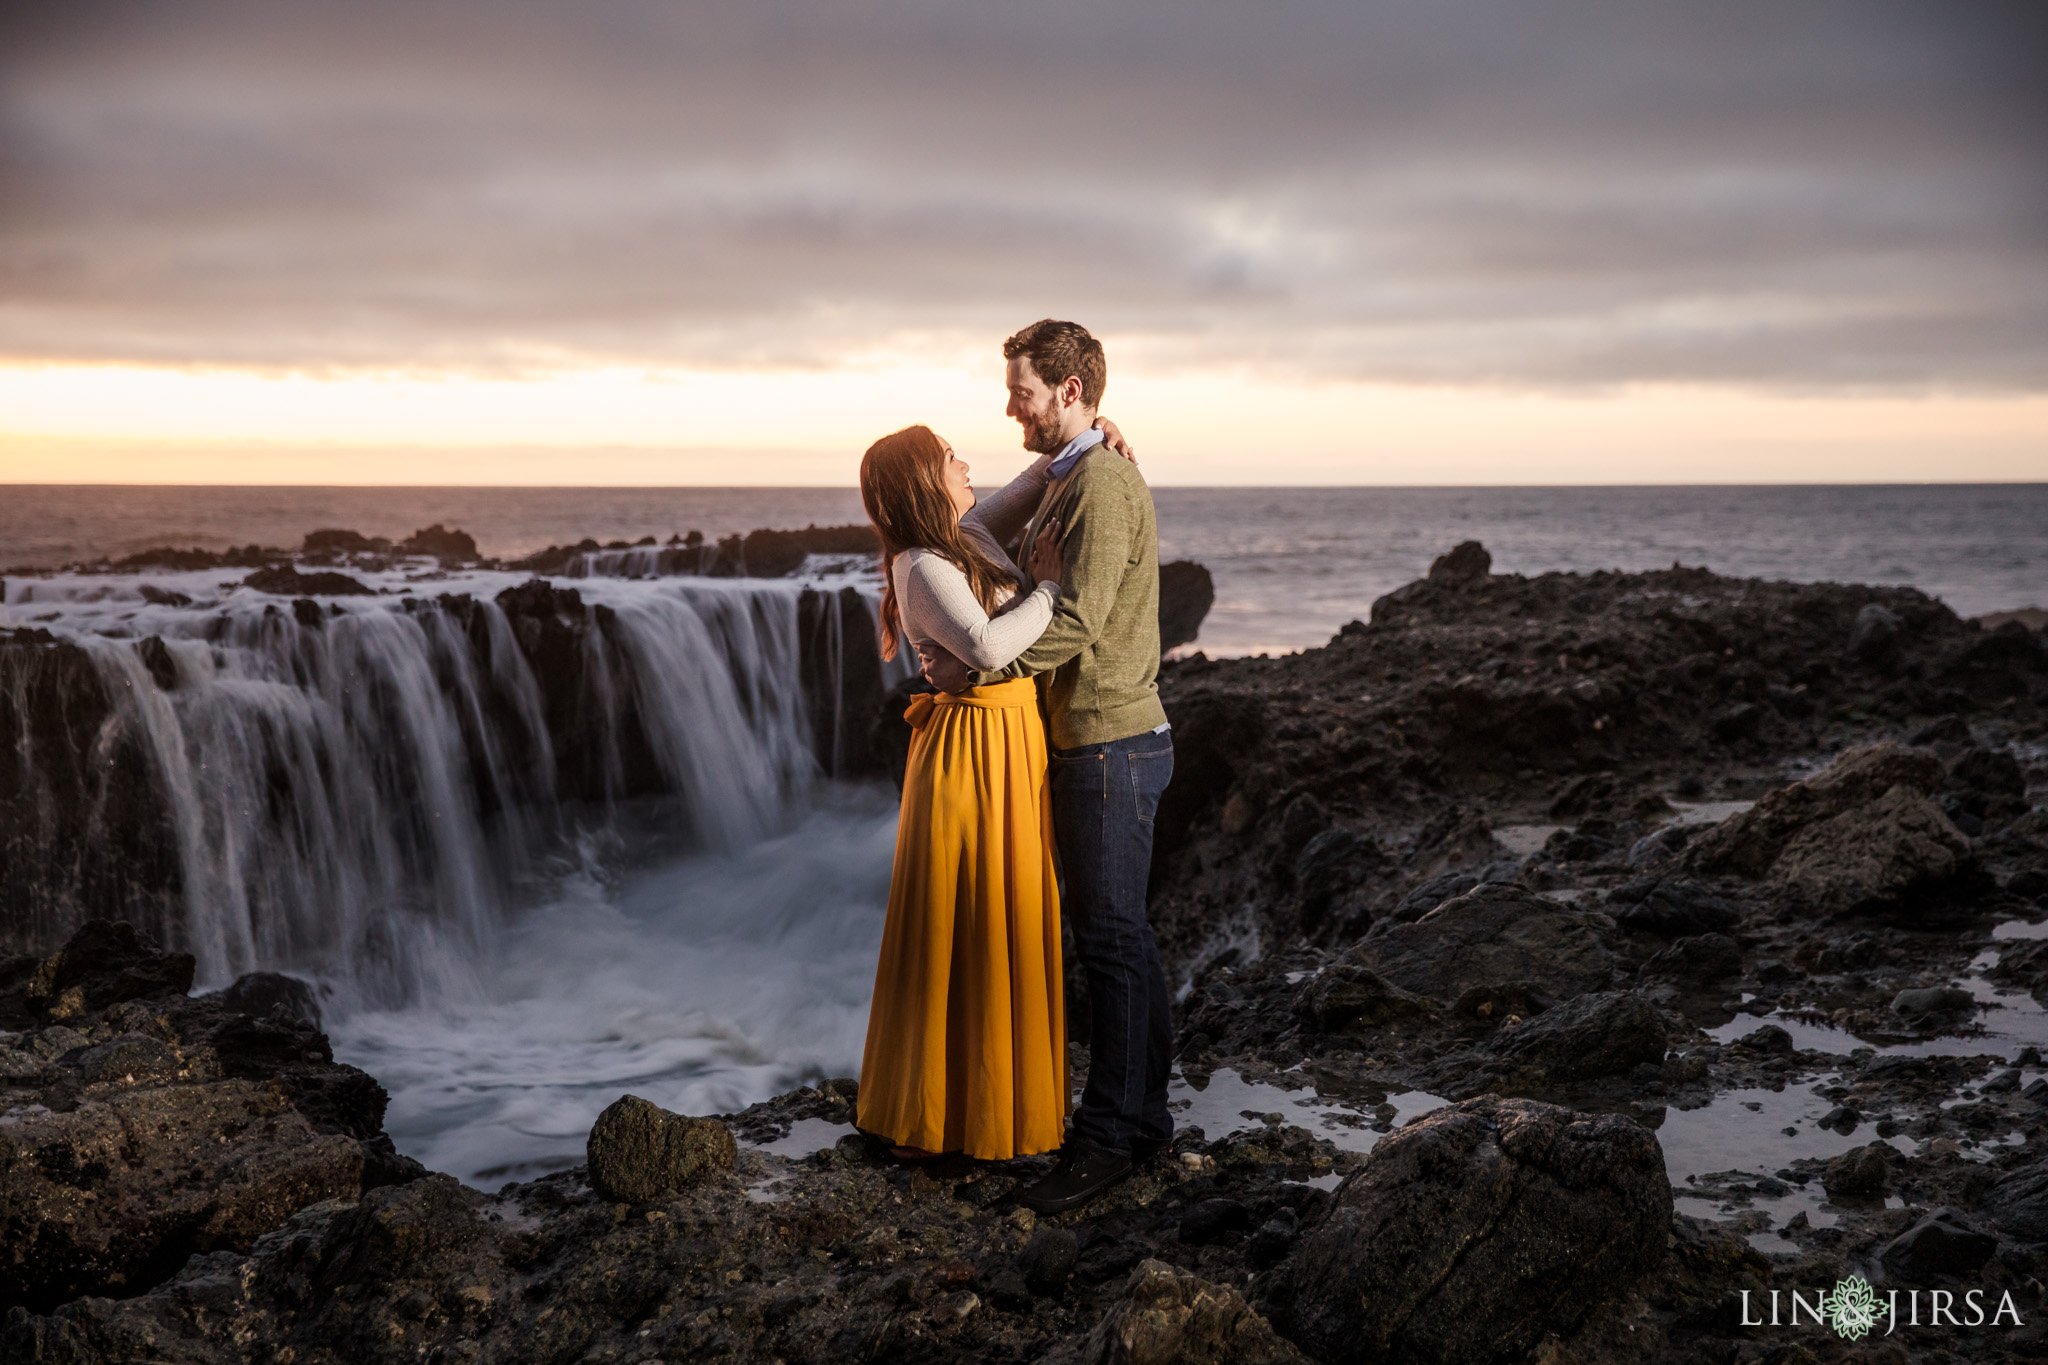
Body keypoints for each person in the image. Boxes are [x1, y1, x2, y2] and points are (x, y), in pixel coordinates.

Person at [918, 319, 1174, 1215]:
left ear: (1070, 389)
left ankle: (1106, 1141)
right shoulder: (1075, 473)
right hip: (1097, 738)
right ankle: (1144, 1120)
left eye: (1021, 390)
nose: (1008, 406)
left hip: (1109, 743)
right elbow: (978, 530)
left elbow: (1078, 622)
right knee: (1124, 935)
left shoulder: (1100, 486)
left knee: (1107, 940)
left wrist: (980, 664)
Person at [853, 417, 1133, 1161]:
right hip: (971, 753)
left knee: (1000, 919)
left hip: (1008, 744)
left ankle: (987, 1113)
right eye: (950, 458)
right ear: (924, 480)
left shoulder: (968, 535)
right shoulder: (919, 563)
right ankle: (936, 1118)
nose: (967, 461)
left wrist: (1094, 441)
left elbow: (1032, 481)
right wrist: (1047, 586)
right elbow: (984, 646)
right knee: (961, 921)